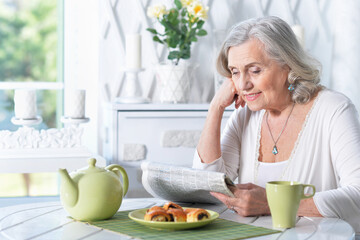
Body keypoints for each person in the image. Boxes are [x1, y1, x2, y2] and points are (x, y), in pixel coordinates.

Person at [193, 16, 360, 232]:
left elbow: (357, 195)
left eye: (255, 70)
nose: (243, 84)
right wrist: (215, 107)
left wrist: (271, 203)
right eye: (235, 72)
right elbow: (206, 185)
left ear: (287, 66)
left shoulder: (334, 109)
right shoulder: (245, 114)